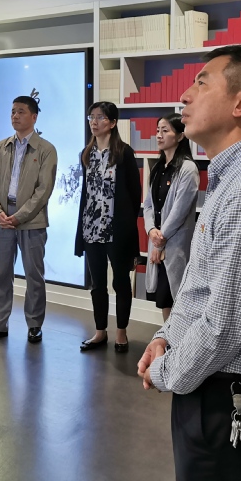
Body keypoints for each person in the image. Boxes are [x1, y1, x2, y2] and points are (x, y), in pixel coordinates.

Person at [137, 45, 241, 481]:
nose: (184, 96)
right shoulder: (233, 177)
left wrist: (166, 371)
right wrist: (165, 337)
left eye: (201, 83)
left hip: (229, 394)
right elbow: (200, 286)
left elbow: (224, 325)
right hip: (213, 385)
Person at [0, 96, 58, 345]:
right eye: (12, 111)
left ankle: (34, 325)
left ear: (34, 117)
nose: (15, 116)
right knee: (1, 274)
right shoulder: (1, 147)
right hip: (2, 220)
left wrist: (19, 216)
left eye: (21, 112)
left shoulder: (46, 149)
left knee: (34, 276)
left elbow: (44, 190)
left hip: (31, 221)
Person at [76, 101, 142, 353]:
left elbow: (134, 195)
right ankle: (100, 331)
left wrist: (128, 228)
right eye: (91, 117)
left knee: (121, 282)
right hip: (91, 228)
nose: (94, 122)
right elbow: (86, 195)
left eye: (100, 117)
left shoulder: (124, 153)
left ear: (113, 123)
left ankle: (121, 332)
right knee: (97, 284)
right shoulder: (86, 154)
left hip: (116, 230)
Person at [143, 113, 199, 322]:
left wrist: (159, 241)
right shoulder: (158, 167)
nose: (159, 135)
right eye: (158, 130)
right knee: (164, 299)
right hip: (157, 242)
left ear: (180, 136)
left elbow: (179, 211)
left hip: (174, 245)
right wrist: (151, 230)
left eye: (165, 131)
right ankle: (168, 338)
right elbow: (148, 205)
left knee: (178, 297)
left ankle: (177, 340)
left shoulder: (188, 169)